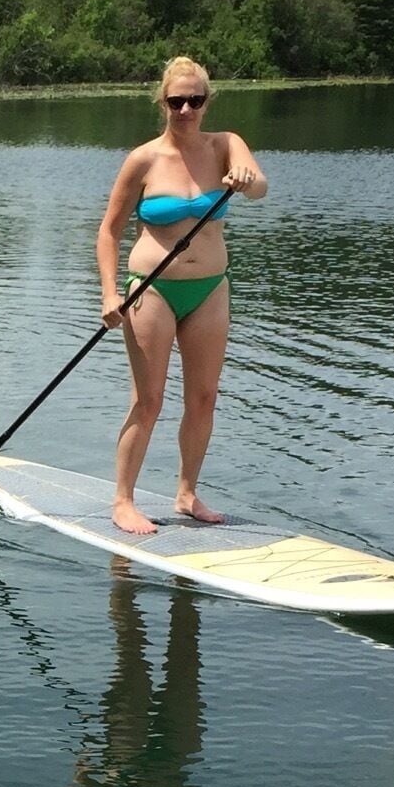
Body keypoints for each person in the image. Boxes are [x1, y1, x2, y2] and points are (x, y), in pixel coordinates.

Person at [94, 57, 267, 536]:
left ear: (207, 102)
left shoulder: (226, 146)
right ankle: (123, 501)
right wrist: (110, 294)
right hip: (152, 291)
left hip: (211, 288)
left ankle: (187, 494)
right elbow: (108, 232)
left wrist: (247, 180)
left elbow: (260, 185)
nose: (186, 108)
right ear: (163, 103)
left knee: (205, 398)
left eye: (195, 100)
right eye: (176, 101)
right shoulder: (144, 159)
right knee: (148, 399)